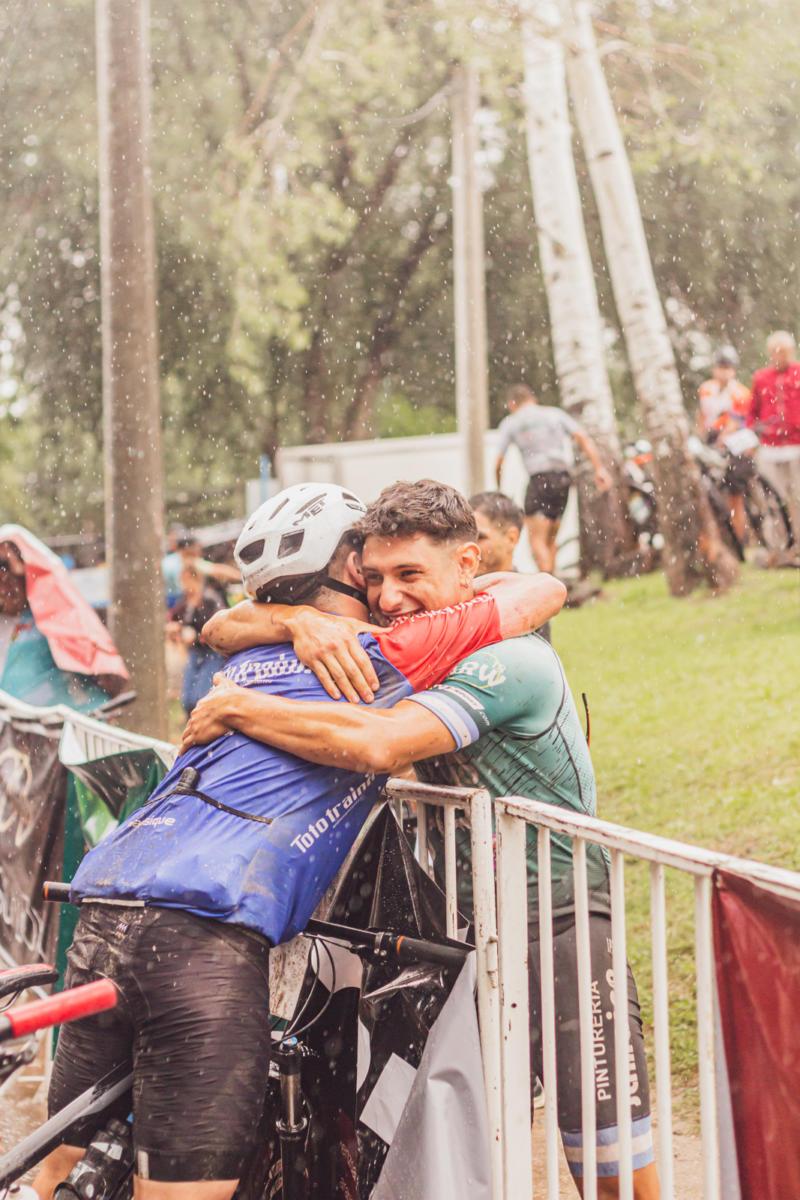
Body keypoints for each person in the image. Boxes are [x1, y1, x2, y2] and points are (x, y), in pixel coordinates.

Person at [33, 482, 564, 1200]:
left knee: (55, 1172)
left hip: (106, 904)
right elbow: (541, 592)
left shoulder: (239, 664)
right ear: (349, 566)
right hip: (201, 933)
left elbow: (220, 625)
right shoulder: (390, 648)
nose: (386, 592)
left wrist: (287, 620)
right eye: (371, 569)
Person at [189, 480, 657, 1199]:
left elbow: (382, 744)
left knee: (609, 1167)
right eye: (374, 577)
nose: (389, 596)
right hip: (466, 934)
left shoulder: (509, 657)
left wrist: (236, 707)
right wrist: (298, 621)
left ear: (468, 564)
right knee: (471, 1149)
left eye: (410, 574)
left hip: (560, 926)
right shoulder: (421, 639)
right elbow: (222, 625)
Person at [494, 384, 612, 575]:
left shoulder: (511, 422)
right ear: (533, 399)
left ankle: (547, 582)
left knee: (536, 540)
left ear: (512, 404)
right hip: (562, 479)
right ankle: (555, 583)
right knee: (550, 538)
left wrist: (499, 488)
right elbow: (582, 437)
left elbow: (499, 461)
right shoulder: (554, 414)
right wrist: (599, 469)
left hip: (539, 479)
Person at [470, 489, 552, 646]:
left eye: (480, 537)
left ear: (511, 538)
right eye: (465, 537)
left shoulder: (531, 597)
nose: (469, 547)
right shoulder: (456, 592)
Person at [747, 330, 800, 549]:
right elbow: (752, 413)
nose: (780, 356)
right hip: (770, 447)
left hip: (797, 445)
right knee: (774, 500)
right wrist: (754, 434)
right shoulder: (761, 378)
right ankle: (781, 545)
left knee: (797, 496)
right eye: (776, 352)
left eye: (784, 352)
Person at [697, 347, 754, 543]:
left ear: (733, 370)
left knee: (735, 495)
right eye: (720, 367)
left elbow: (736, 421)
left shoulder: (741, 393)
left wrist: (722, 439)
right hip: (711, 440)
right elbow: (702, 416)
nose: (723, 372)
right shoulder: (706, 389)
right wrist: (701, 437)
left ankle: (740, 538)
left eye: (727, 368)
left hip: (734, 444)